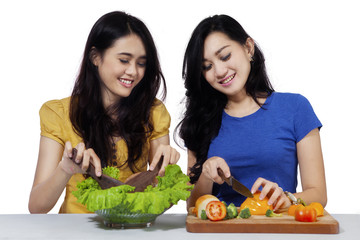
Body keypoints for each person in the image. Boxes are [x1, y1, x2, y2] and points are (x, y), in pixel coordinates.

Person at [28, 11, 179, 214]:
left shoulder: (153, 112)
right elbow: (37, 207)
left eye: (141, 63)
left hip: (132, 230)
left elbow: (162, 201)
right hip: (75, 231)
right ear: (95, 57)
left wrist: (163, 173)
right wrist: (66, 169)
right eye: (124, 60)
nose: (134, 71)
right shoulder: (58, 114)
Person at [177, 14, 327, 212]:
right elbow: (193, 206)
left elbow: (318, 194)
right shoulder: (200, 121)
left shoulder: (295, 108)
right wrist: (206, 174)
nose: (220, 71)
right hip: (222, 230)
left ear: (248, 48)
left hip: (279, 228)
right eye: (207, 66)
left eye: (225, 56)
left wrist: (287, 198)